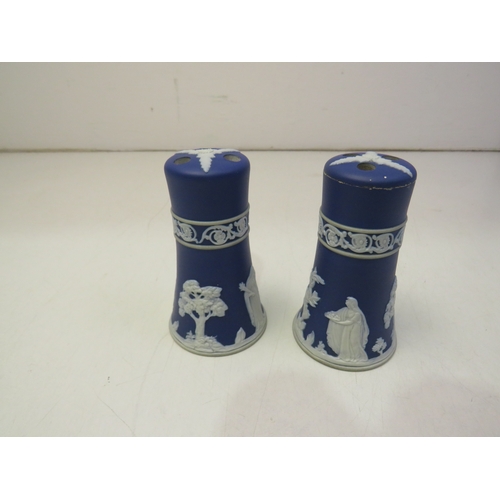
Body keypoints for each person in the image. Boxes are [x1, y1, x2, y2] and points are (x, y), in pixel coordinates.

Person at [325, 297, 369, 362]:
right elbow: (337, 314)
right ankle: (344, 356)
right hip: (347, 329)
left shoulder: (357, 314)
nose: (346, 302)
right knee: (345, 342)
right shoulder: (345, 310)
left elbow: (349, 322)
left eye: (347, 301)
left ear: (352, 304)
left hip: (355, 330)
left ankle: (356, 357)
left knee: (354, 343)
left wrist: (338, 322)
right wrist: (331, 315)